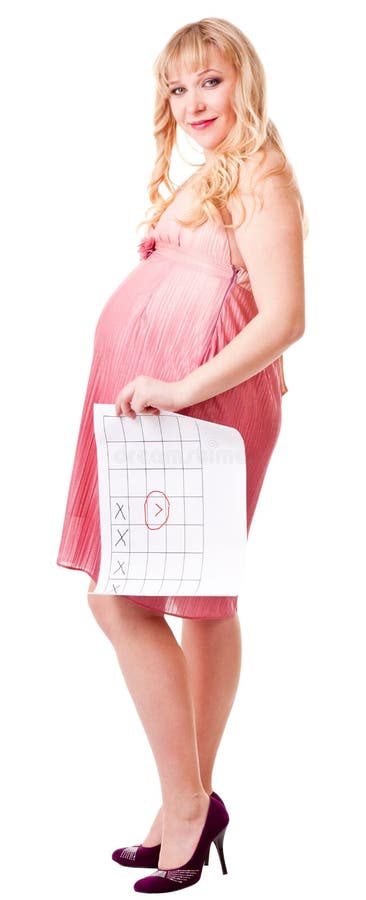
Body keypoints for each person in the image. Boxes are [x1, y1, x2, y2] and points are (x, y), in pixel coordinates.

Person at [56, 16, 306, 894]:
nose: (194, 102)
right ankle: (183, 803)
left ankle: (188, 804)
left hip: (200, 412)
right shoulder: (206, 176)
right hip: (162, 415)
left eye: (210, 81)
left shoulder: (261, 173)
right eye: (178, 87)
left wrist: (180, 387)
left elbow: (284, 320)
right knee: (193, 606)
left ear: (245, 80)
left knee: (124, 602)